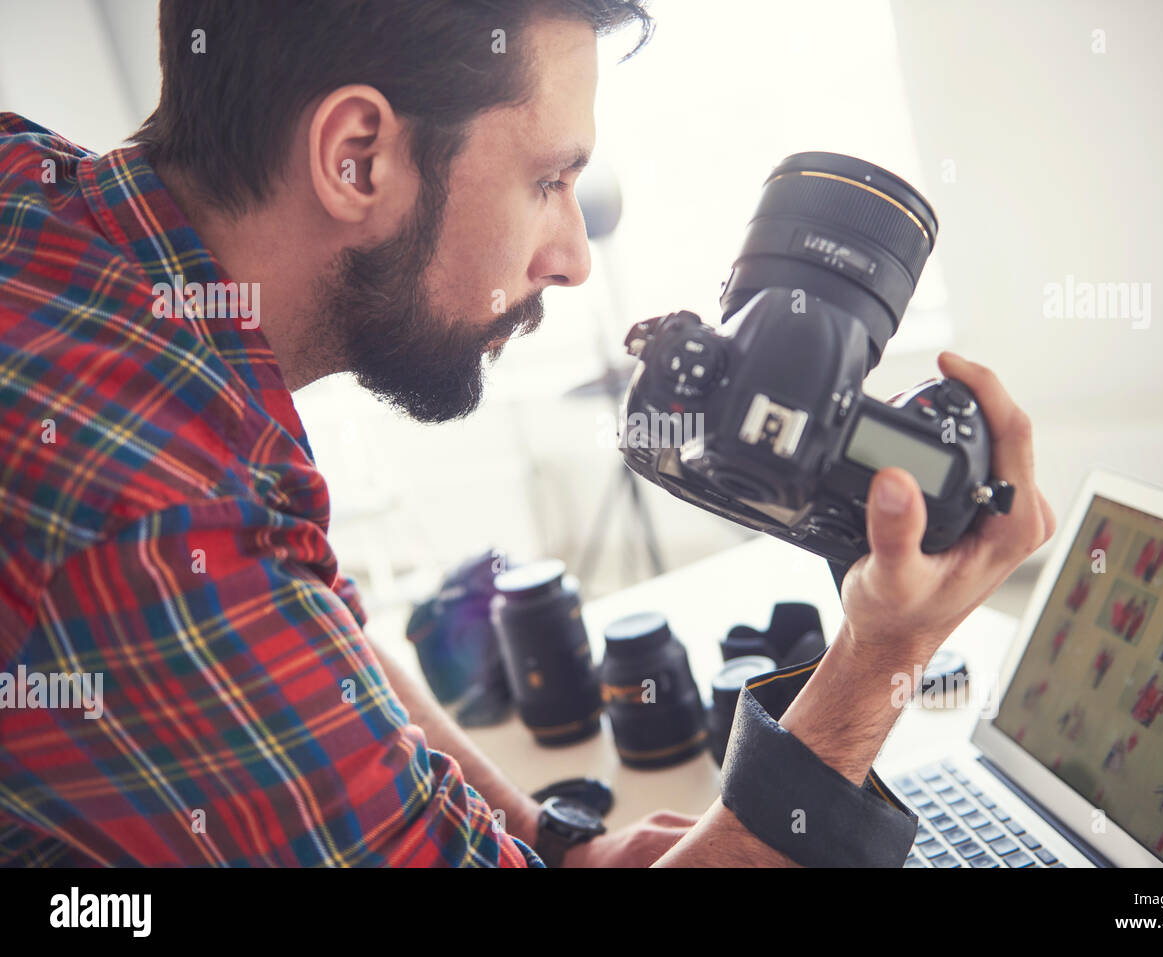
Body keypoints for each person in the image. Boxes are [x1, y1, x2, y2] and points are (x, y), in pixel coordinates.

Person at [0, 1, 1056, 867]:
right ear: (357, 158)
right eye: (548, 180)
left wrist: (550, 844)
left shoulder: (37, 190)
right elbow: (215, 579)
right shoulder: (159, 516)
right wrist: (884, 655)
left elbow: (314, 628)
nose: (571, 257)